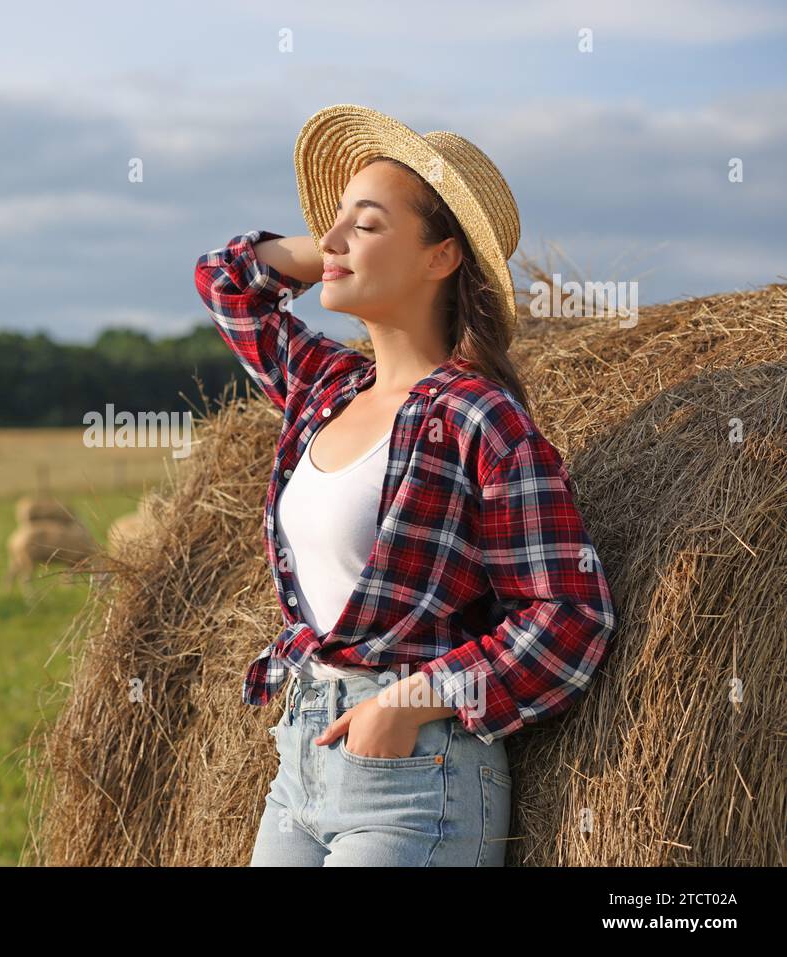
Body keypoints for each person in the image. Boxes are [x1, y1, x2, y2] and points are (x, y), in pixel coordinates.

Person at [193, 104, 616, 866]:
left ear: (441, 256)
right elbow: (225, 280)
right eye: (334, 220)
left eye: (370, 223)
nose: (332, 238)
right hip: (299, 761)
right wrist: (330, 246)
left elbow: (571, 613)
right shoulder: (325, 386)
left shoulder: (476, 416)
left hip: (419, 773)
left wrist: (412, 700)